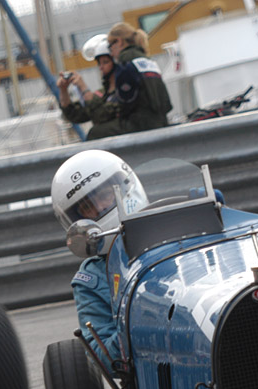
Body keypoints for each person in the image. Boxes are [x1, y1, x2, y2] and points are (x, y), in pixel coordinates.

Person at [50, 150, 148, 367]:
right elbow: (101, 355)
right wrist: (138, 327)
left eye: (105, 195)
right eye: (88, 207)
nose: (101, 207)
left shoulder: (171, 229)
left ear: (124, 187)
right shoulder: (91, 279)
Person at [106, 22, 172, 133]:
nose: (111, 53)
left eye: (110, 46)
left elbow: (125, 102)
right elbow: (166, 103)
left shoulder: (126, 61)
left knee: (96, 132)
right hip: (161, 122)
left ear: (119, 41)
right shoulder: (148, 61)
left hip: (140, 125)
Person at [57, 34, 124, 140]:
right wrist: (63, 89)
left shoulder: (125, 91)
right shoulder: (102, 93)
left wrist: (83, 87)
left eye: (105, 62)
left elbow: (100, 115)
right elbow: (75, 114)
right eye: (99, 63)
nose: (101, 67)